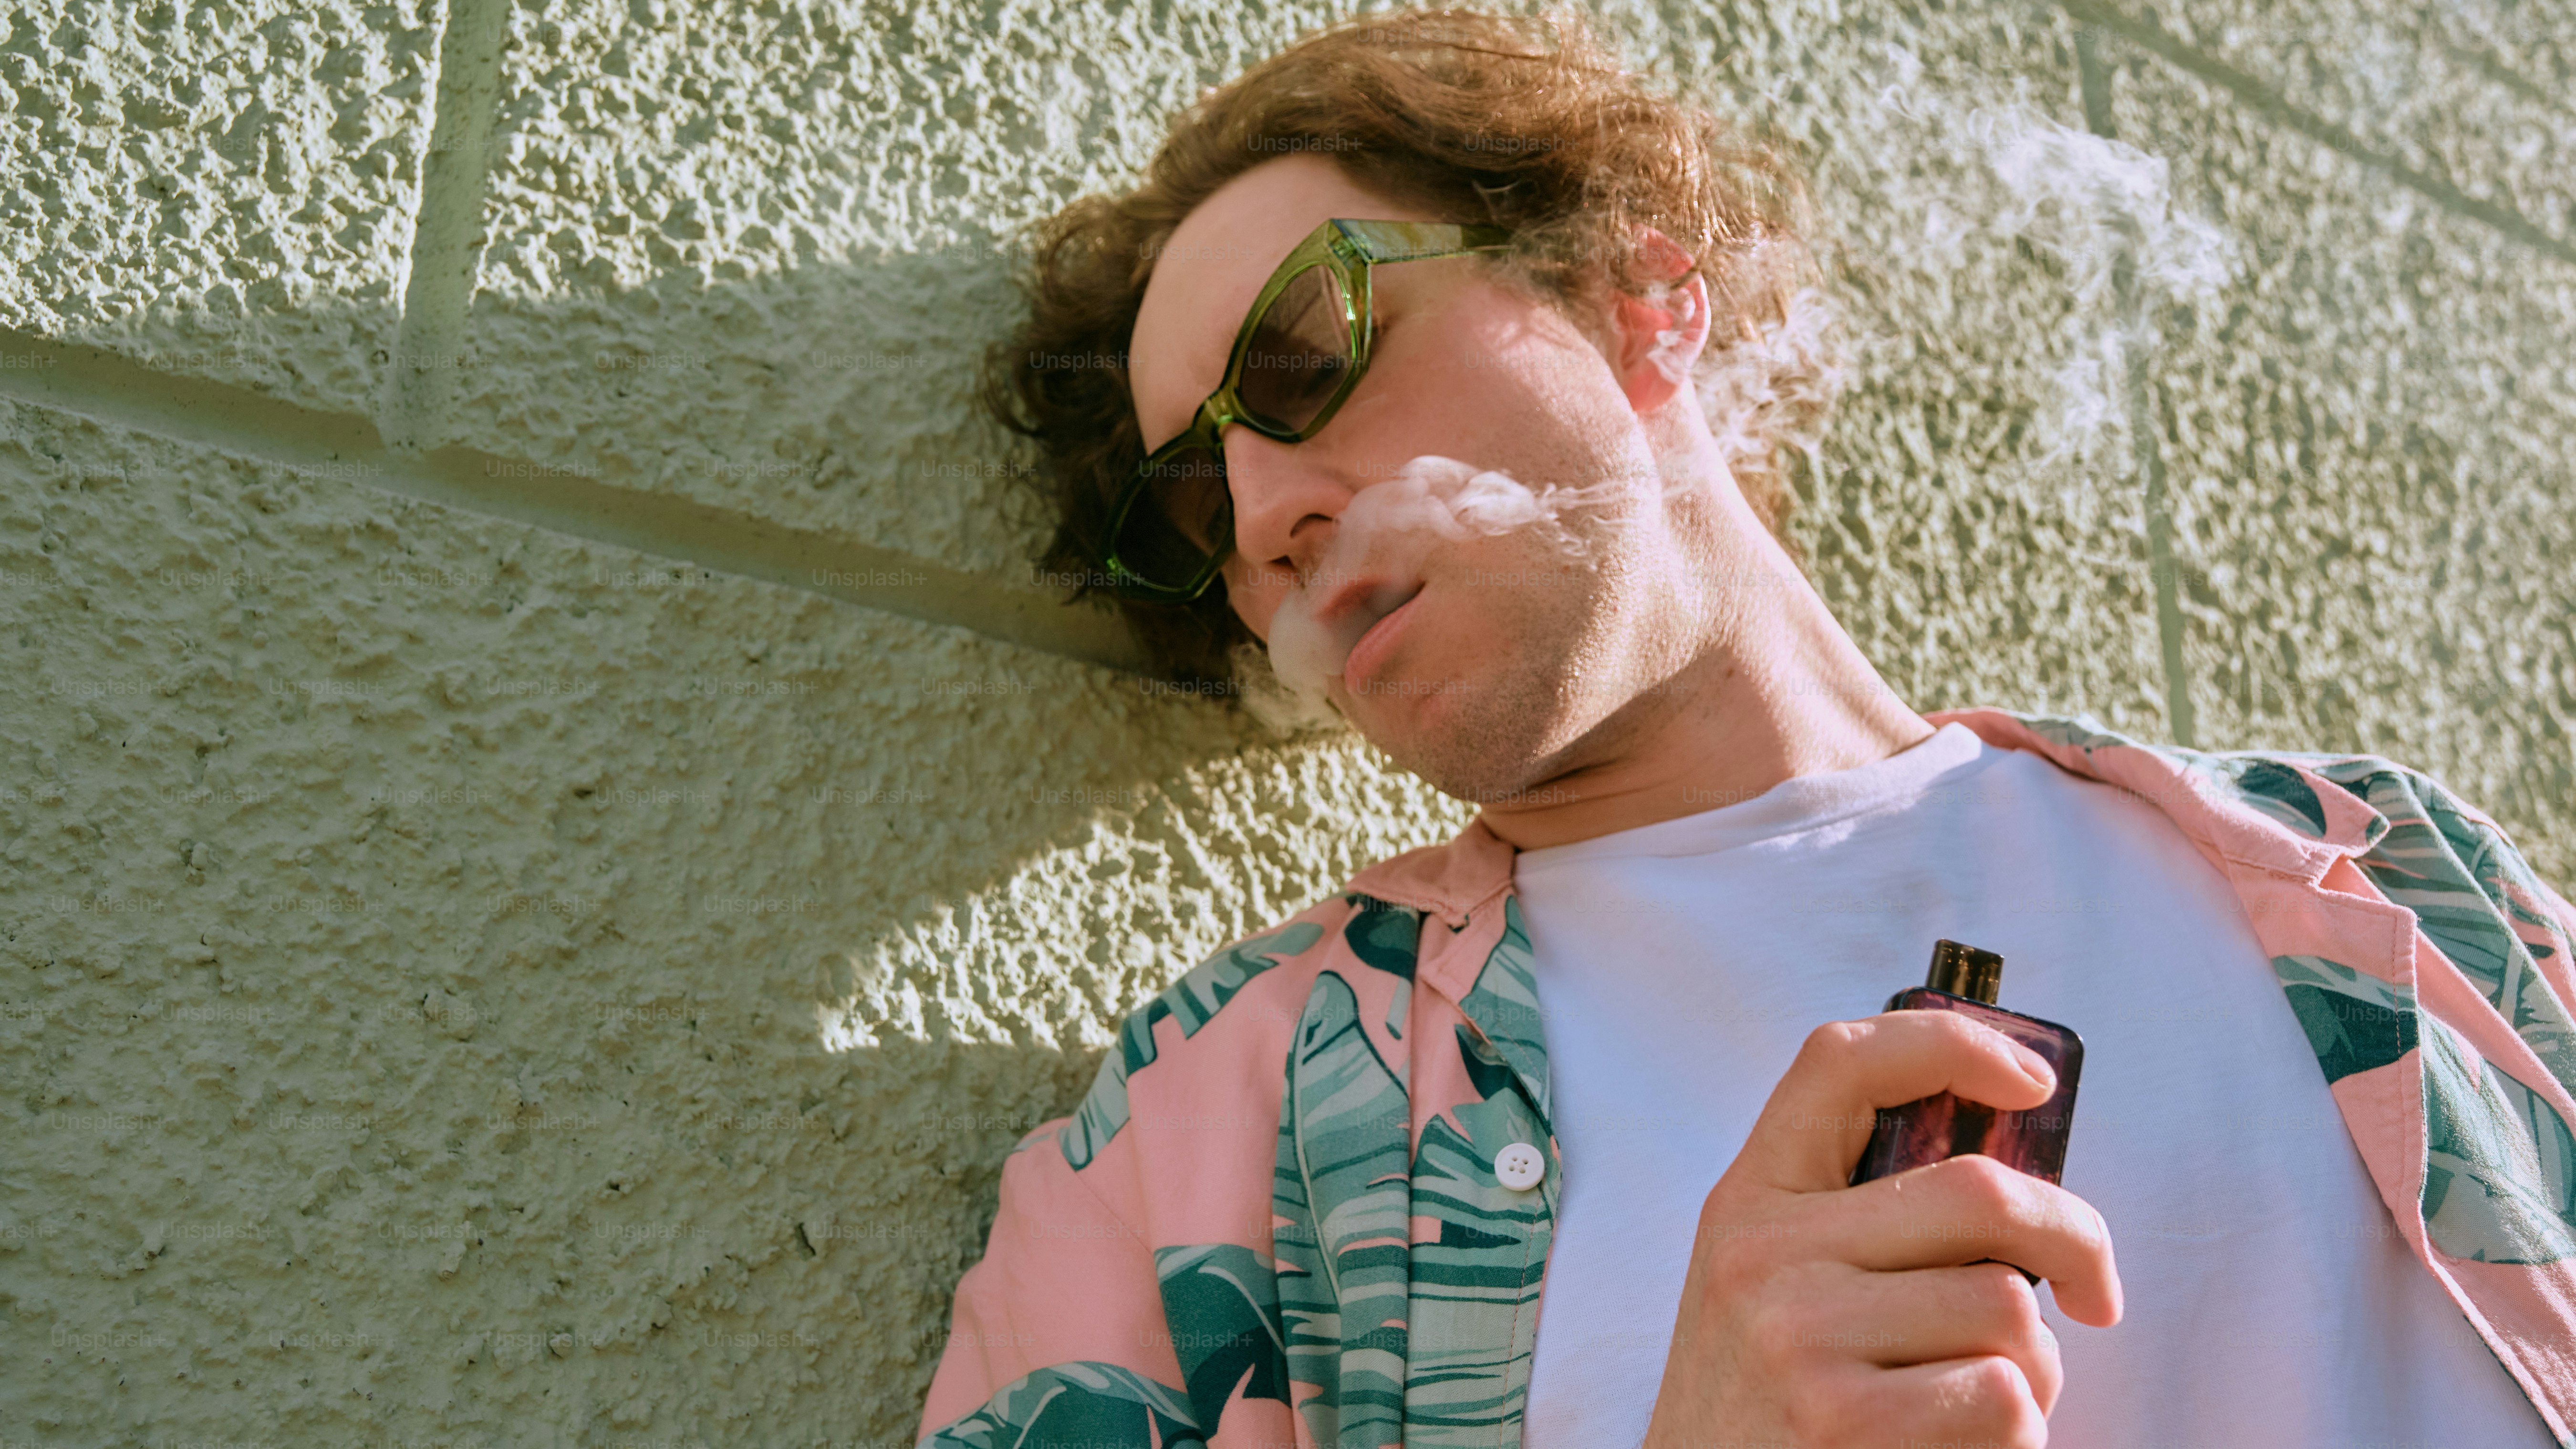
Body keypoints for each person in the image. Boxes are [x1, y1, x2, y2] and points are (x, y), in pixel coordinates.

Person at [918, 10, 2576, 1447]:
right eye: (1198, 500)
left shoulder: (2402, 889)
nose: (1268, 510)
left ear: (1648, 298)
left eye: (1307, 355)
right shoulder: (1194, 1148)